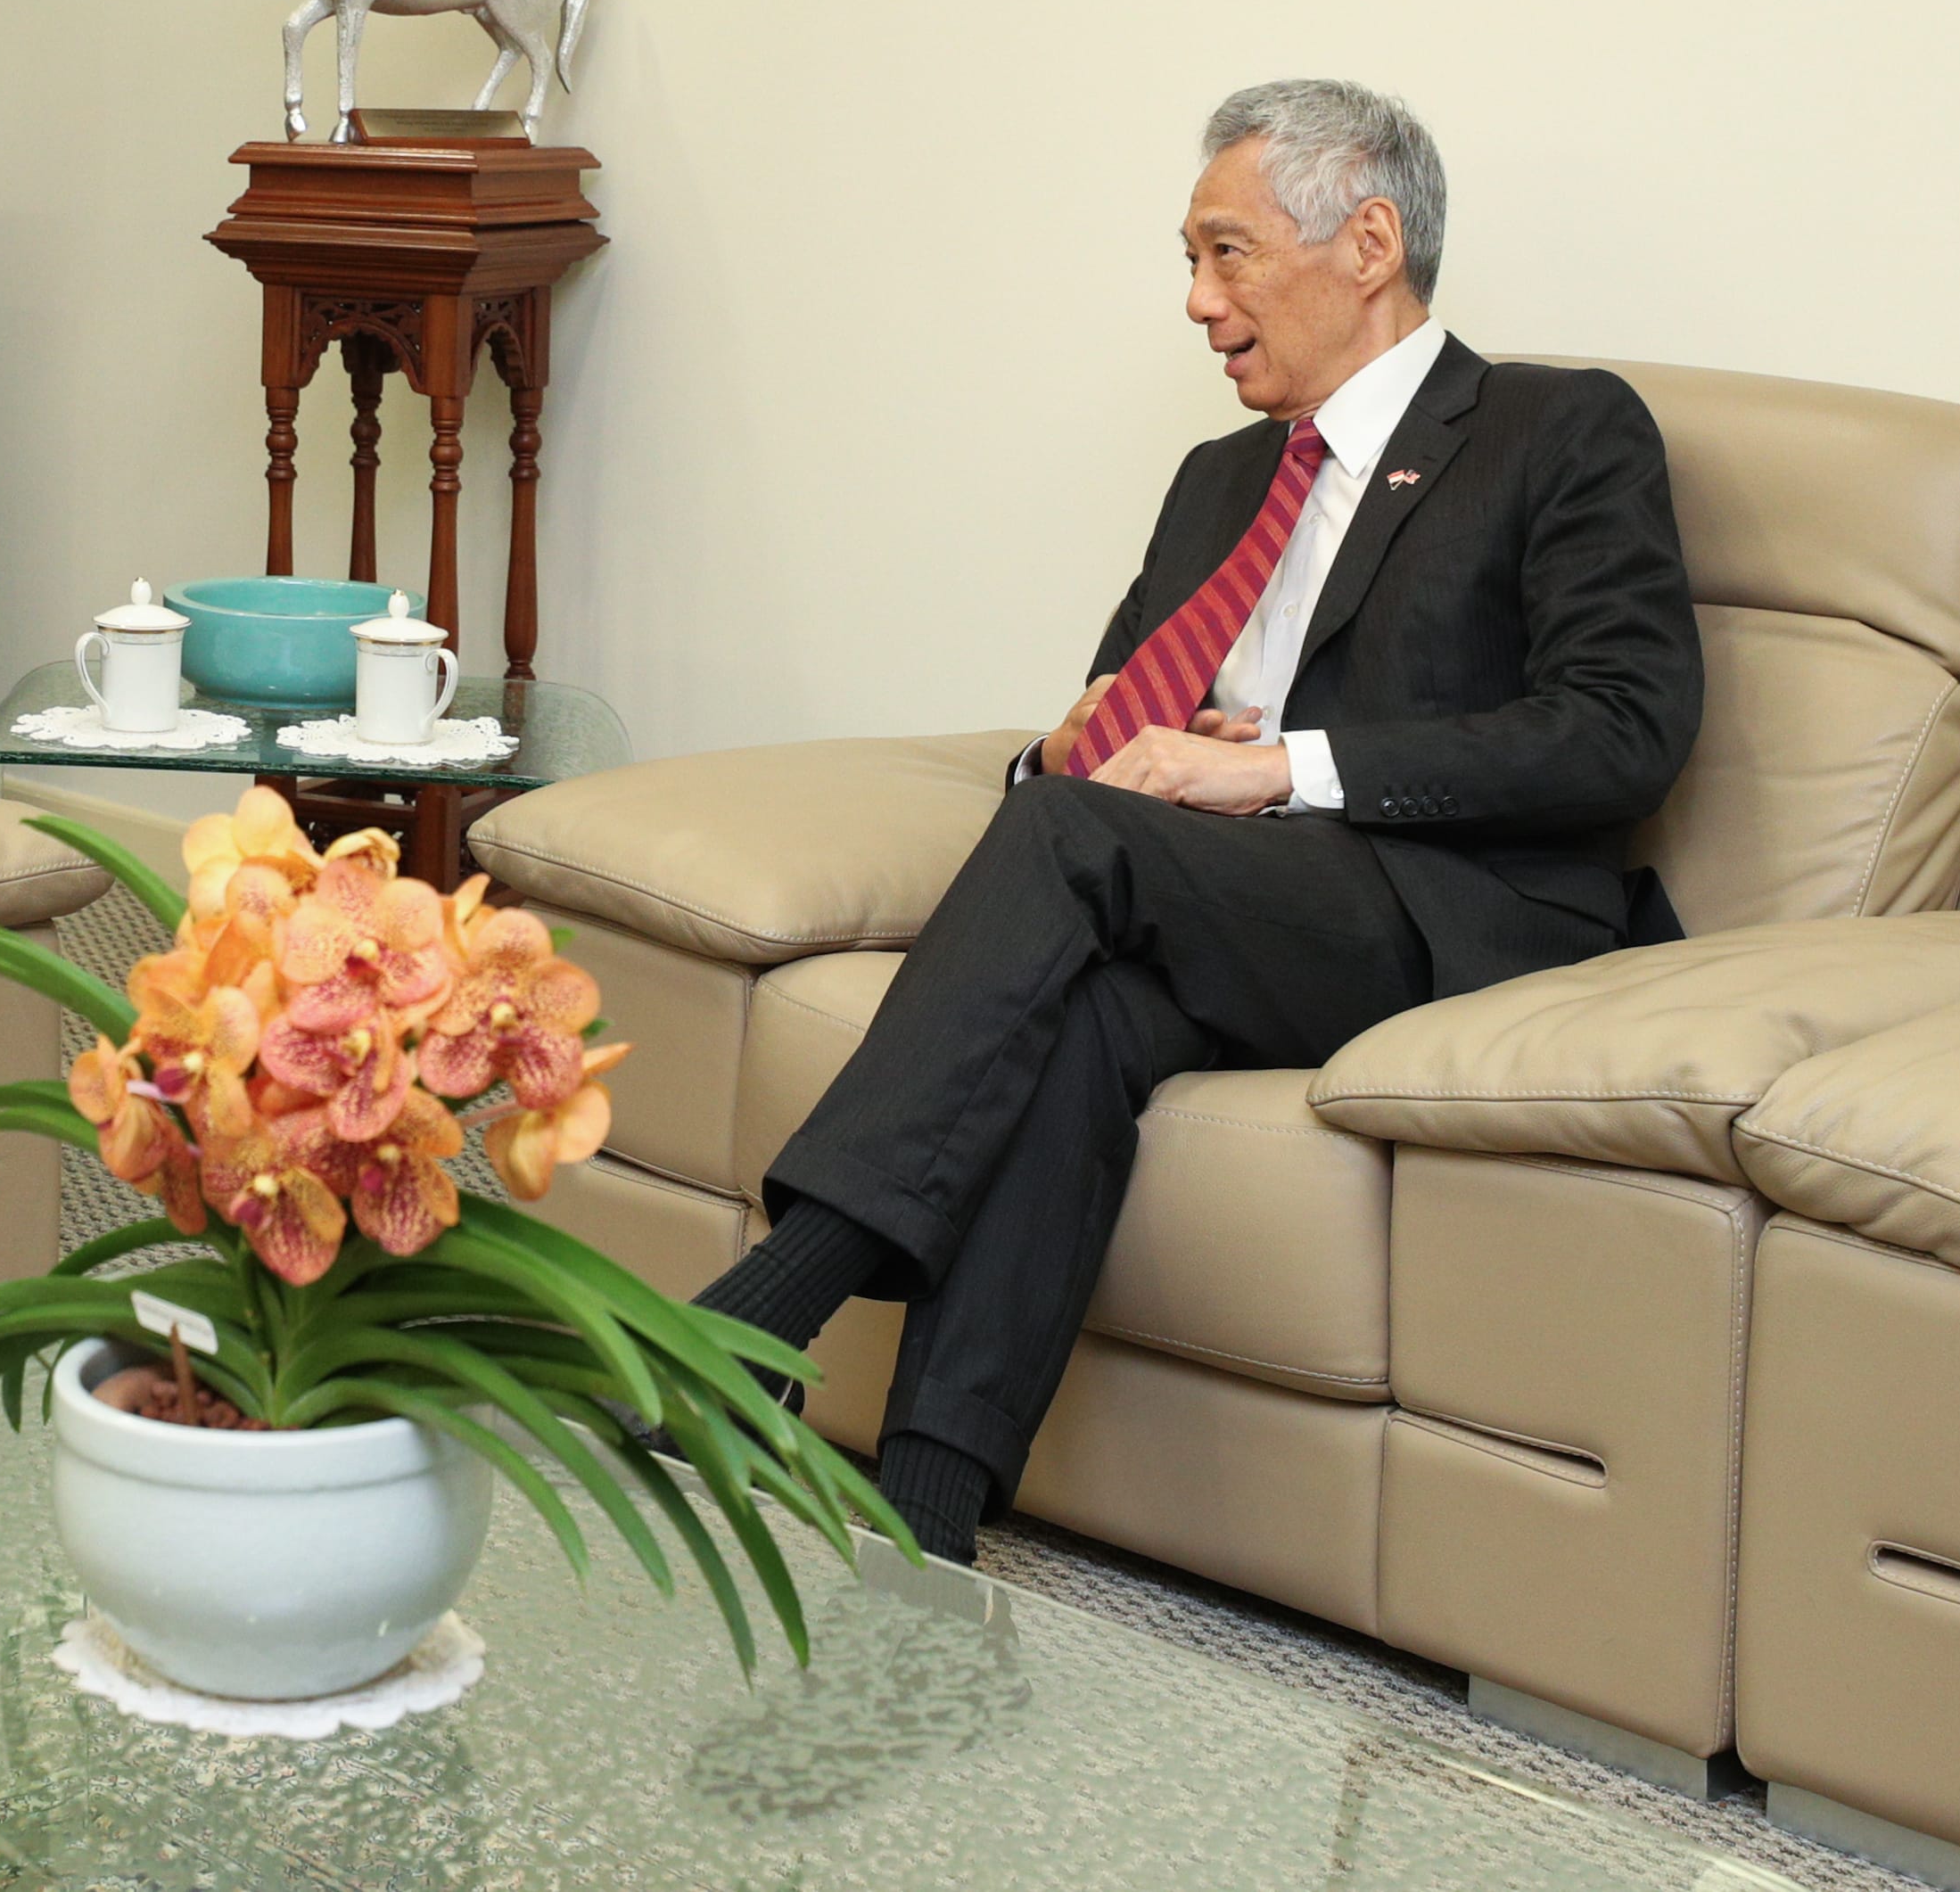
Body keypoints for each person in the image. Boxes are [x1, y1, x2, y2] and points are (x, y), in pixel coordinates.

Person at [692, 80, 1702, 1562]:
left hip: (1450, 912)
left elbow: (1622, 729)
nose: (1193, 301)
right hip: (1224, 900)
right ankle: (928, 1520)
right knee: (1081, 1006)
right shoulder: (1218, 480)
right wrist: (1065, 751)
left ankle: (776, 1297)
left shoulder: (1556, 429)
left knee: (1068, 843)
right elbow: (1115, 742)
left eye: (1224, 254)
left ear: (1366, 243)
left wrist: (1282, 766)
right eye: (1188, 260)